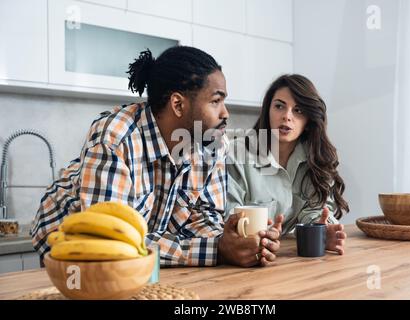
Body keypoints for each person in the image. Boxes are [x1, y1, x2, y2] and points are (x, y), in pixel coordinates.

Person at [31, 46, 261, 267]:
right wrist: (215, 250)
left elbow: (203, 219)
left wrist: (232, 242)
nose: (225, 113)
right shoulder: (115, 138)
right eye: (216, 101)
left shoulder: (213, 143)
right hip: (69, 244)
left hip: (141, 252)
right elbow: (111, 239)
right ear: (178, 104)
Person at [226, 74, 349, 265]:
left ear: (309, 119)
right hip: (243, 261)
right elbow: (229, 220)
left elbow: (316, 212)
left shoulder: (315, 160)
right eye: (279, 106)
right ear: (267, 110)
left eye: (298, 110)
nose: (287, 116)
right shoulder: (236, 154)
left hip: (287, 263)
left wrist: (322, 230)